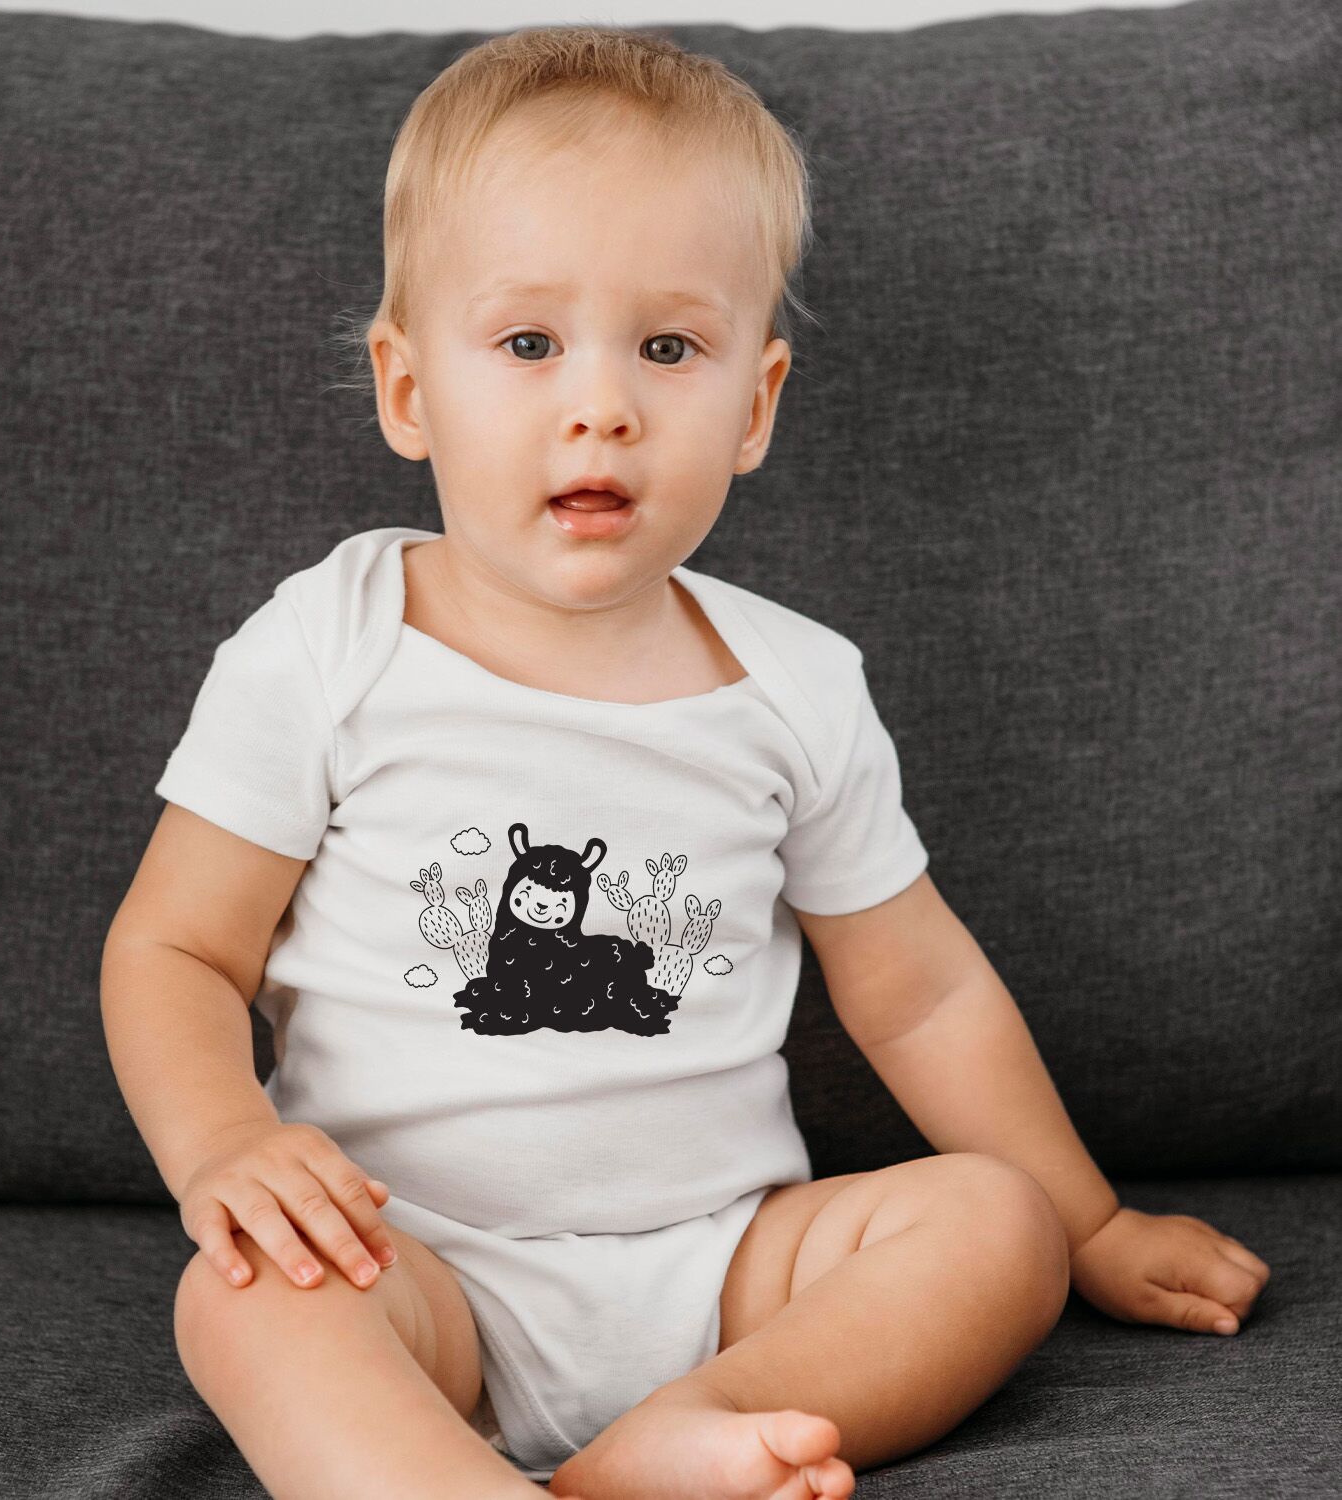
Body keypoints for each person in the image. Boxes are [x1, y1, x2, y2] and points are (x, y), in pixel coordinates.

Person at [100, 24, 1270, 1500]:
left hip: (730, 1276)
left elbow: (922, 993)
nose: (602, 406)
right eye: (529, 344)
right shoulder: (327, 645)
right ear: (408, 390)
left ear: (755, 405)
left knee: (996, 1228)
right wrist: (223, 1146)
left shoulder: (797, 686)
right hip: (414, 1267)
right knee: (245, 1301)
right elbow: (175, 949)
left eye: (668, 348)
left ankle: (674, 1441)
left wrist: (1088, 1222)